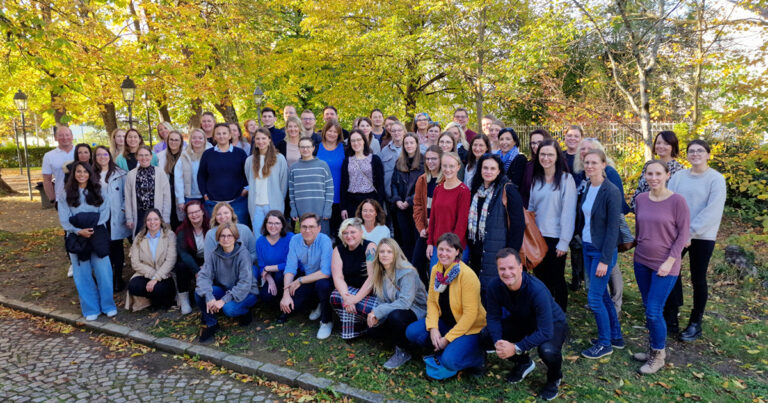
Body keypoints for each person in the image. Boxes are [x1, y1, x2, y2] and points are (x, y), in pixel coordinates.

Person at [665, 140, 726, 342]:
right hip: (677, 234)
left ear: (708, 154)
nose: (695, 154)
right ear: (687, 155)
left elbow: (712, 211)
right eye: (691, 151)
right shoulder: (679, 177)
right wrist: (677, 232)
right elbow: (669, 202)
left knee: (698, 278)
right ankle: (671, 317)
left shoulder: (716, 179)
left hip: (702, 236)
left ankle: (695, 323)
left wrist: (689, 233)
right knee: (670, 272)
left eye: (700, 151)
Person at [487, 248, 567, 401]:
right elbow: (493, 317)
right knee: (486, 336)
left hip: (552, 323)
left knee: (548, 350)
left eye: (511, 268)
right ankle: (524, 363)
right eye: (502, 269)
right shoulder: (494, 286)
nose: (507, 273)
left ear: (520, 268)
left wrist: (516, 347)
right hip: (524, 320)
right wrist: (499, 342)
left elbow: (545, 332)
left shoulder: (537, 290)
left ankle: (554, 378)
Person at [632, 160, 690, 374]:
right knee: (648, 308)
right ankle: (652, 348)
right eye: (650, 174)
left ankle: (658, 356)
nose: (653, 178)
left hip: (665, 265)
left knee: (654, 311)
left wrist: (670, 261)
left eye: (658, 174)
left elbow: (683, 235)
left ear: (667, 175)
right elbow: (639, 228)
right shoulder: (641, 199)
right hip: (641, 261)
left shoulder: (677, 201)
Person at [405, 233, 486, 380]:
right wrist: (433, 328)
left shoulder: (467, 275)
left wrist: (447, 339)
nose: (443, 253)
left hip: (469, 328)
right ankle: (441, 348)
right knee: (412, 332)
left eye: (449, 250)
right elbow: (432, 302)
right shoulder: (437, 270)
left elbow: (470, 316)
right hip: (447, 322)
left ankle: (477, 358)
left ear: (457, 252)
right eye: (441, 249)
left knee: (449, 361)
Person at [576, 150, 625, 359]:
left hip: (602, 252)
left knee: (595, 298)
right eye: (587, 162)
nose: (589, 166)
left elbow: (613, 229)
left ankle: (605, 344)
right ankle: (615, 337)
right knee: (602, 295)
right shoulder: (588, 186)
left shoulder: (611, 191)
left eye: (594, 162)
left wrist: (605, 260)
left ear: (604, 164)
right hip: (588, 247)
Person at [572, 138, 631, 303]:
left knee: (609, 264)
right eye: (582, 149)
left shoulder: (609, 173)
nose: (585, 151)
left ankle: (616, 300)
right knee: (598, 268)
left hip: (605, 227)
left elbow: (616, 202)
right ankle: (602, 300)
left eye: (590, 148)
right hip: (589, 229)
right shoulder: (582, 175)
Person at [57, 160, 116, 320]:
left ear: (90, 174)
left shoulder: (100, 190)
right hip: (76, 237)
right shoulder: (65, 194)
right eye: (78, 171)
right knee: (82, 275)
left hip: (97, 234)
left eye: (85, 171)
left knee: (104, 272)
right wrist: (78, 231)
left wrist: (90, 228)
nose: (82, 174)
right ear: (73, 174)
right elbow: (64, 219)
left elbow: (105, 213)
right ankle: (91, 309)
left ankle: (108, 305)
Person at [467, 154, 525, 301]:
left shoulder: (508, 190)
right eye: (485, 168)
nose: (488, 171)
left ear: (499, 171)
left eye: (493, 168)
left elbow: (518, 226)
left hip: (498, 250)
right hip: (477, 250)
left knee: (494, 293)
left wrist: (511, 254)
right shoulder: (475, 190)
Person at [528, 139, 576, 312]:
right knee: (541, 280)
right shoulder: (536, 180)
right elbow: (532, 209)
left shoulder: (566, 179)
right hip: (537, 238)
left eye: (550, 154)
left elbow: (569, 212)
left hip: (556, 239)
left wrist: (564, 241)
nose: (546, 158)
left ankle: (560, 316)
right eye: (543, 154)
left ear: (557, 157)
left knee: (556, 280)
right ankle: (545, 314)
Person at [366, 238, 428, 369]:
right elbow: (381, 300)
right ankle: (401, 338)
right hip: (396, 308)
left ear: (396, 254)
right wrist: (376, 316)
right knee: (372, 331)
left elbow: (405, 302)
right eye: (382, 251)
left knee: (396, 317)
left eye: (389, 252)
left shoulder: (407, 272)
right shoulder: (380, 272)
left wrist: (378, 312)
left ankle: (403, 351)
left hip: (417, 309)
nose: (385, 255)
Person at [195, 223, 258, 343]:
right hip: (225, 289)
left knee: (229, 309)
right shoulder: (214, 254)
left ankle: (245, 312)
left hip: (247, 292)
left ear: (235, 237)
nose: (226, 239)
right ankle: (212, 324)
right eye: (222, 236)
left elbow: (244, 283)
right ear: (218, 238)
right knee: (200, 293)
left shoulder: (243, 254)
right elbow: (203, 276)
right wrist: (209, 296)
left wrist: (223, 300)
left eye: (229, 235)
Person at [280, 213, 335, 339]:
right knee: (295, 303)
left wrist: (299, 280)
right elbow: (290, 268)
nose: (307, 230)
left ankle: (326, 321)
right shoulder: (295, 240)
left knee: (323, 286)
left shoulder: (324, 240)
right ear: (300, 228)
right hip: (308, 277)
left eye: (311, 227)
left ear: (319, 228)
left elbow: (325, 272)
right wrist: (286, 294)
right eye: (304, 227)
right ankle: (317, 304)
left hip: (324, 279)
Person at [329, 218, 378, 339]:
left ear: (361, 232)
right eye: (345, 233)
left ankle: (362, 324)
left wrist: (355, 299)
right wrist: (346, 297)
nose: (349, 236)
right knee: (336, 296)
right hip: (350, 291)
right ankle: (358, 325)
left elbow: (372, 278)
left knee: (364, 306)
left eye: (352, 232)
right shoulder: (338, 250)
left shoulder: (370, 247)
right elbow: (338, 277)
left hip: (370, 292)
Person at [93, 146, 131, 292]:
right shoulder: (91, 174)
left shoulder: (120, 174)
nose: (102, 157)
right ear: (95, 158)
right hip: (100, 217)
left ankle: (118, 278)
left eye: (105, 154)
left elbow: (127, 194)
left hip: (116, 216)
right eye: (99, 155)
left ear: (109, 156)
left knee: (117, 247)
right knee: (104, 247)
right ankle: (107, 277)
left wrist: (123, 209)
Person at [197, 123, 249, 224]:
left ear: (230, 135)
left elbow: (248, 174)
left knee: (239, 230)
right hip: (213, 203)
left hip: (237, 202)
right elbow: (201, 176)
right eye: (218, 133)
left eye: (224, 133)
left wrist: (246, 189)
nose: (221, 136)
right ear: (214, 136)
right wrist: (205, 195)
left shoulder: (240, 153)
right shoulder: (207, 154)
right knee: (216, 231)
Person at [427, 152, 471, 268]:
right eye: (445, 166)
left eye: (451, 166)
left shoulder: (463, 191)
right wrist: (430, 242)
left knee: (451, 279)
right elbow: (433, 218)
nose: (448, 169)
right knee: (434, 277)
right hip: (438, 245)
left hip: (454, 247)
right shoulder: (438, 188)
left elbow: (462, 223)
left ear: (458, 167)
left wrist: (451, 248)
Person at [128, 209, 178, 309]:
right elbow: (135, 262)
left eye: (155, 219)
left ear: (160, 221)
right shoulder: (139, 237)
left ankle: (163, 301)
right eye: (149, 220)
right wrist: (152, 274)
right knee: (133, 286)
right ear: (145, 222)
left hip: (165, 275)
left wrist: (156, 278)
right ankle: (155, 299)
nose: (152, 222)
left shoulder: (170, 235)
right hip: (146, 273)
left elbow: (171, 261)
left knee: (158, 288)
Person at [245, 127, 288, 236]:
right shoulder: (249, 161)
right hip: (256, 206)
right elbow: (249, 180)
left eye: (263, 138)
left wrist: (279, 199)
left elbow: (283, 184)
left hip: (274, 204)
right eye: (257, 139)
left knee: (275, 236)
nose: (261, 141)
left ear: (269, 140)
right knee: (258, 237)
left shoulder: (279, 159)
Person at [289, 137, 335, 235]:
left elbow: (330, 189)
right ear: (299, 148)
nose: (305, 149)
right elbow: (291, 192)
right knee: (306, 240)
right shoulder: (293, 168)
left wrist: (327, 209)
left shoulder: (323, 165)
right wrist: (293, 209)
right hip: (302, 214)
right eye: (302, 147)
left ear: (313, 148)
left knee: (322, 240)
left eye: (308, 147)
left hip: (321, 214)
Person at [630, 131, 685, 211]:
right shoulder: (649, 165)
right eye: (658, 143)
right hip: (643, 212)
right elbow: (639, 190)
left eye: (666, 144)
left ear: (673, 146)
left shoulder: (678, 170)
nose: (661, 146)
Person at [125, 146, 172, 237]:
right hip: (139, 215)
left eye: (146, 155)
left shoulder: (160, 173)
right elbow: (128, 198)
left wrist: (166, 217)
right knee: (139, 240)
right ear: (137, 157)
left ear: (151, 156)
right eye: (141, 155)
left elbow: (166, 197)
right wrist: (129, 218)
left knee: (156, 240)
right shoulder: (131, 174)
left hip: (156, 214)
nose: (144, 158)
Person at [412, 146, 442, 284]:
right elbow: (417, 205)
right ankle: (424, 292)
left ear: (441, 159)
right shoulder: (422, 179)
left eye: (434, 158)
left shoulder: (445, 180)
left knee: (435, 267)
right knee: (416, 264)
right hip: (425, 230)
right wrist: (421, 228)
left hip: (439, 230)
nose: (430, 162)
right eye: (428, 159)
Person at [340, 130, 386, 221]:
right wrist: (343, 207)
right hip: (352, 202)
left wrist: (379, 205)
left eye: (358, 140)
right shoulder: (347, 161)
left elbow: (380, 185)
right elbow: (343, 185)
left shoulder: (375, 159)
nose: (356, 143)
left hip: (370, 201)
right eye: (353, 141)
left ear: (364, 141)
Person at [390, 133, 423, 258]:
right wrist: (397, 199)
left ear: (417, 144)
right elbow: (394, 183)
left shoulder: (423, 162)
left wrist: (409, 201)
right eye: (406, 143)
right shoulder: (399, 162)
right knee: (405, 239)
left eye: (412, 143)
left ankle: (417, 266)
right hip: (401, 208)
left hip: (416, 207)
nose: (409, 145)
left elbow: (423, 186)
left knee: (417, 239)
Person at [175, 200, 209, 315]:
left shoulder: (211, 226)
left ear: (202, 212)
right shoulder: (182, 230)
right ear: (187, 215)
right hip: (192, 260)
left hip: (209, 260)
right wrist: (197, 270)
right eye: (190, 213)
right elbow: (184, 254)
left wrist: (206, 265)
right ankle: (184, 299)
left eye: (197, 211)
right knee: (180, 266)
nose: (194, 215)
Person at [256, 211, 294, 304]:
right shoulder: (260, 241)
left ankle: (286, 297)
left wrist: (269, 268)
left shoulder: (290, 238)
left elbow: (292, 263)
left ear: (282, 225)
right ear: (265, 224)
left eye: (277, 223)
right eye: (270, 223)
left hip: (289, 273)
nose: (273, 226)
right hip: (271, 274)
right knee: (265, 297)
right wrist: (270, 280)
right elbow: (261, 266)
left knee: (279, 276)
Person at [316, 121, 347, 236]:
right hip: (320, 197)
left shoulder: (344, 148)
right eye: (330, 131)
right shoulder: (316, 147)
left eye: (335, 132)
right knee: (322, 234)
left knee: (340, 234)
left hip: (339, 196)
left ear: (339, 134)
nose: (332, 134)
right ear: (325, 131)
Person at [174, 128, 208, 213]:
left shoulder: (210, 155)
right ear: (190, 140)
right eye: (194, 138)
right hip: (189, 197)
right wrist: (180, 200)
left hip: (207, 197)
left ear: (204, 140)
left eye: (200, 138)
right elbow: (178, 179)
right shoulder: (184, 156)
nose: (197, 140)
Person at [157, 130, 185, 228]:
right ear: (167, 141)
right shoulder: (160, 156)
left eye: (176, 140)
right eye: (171, 140)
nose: (173, 142)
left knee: (181, 220)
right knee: (169, 218)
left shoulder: (186, 155)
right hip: (167, 192)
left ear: (181, 142)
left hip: (181, 192)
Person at [43, 125, 75, 205]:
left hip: (83, 198)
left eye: (67, 135)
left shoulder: (82, 152)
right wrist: (52, 199)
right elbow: (47, 180)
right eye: (61, 135)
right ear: (55, 138)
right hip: (61, 198)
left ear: (72, 137)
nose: (64, 138)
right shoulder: (49, 156)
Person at [521, 129, 553, 207]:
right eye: (533, 143)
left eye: (539, 142)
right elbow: (524, 192)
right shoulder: (529, 166)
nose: (536, 146)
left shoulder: (558, 163)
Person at [378, 121, 405, 204]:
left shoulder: (410, 148)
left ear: (404, 131)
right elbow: (381, 174)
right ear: (391, 133)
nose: (396, 133)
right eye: (394, 131)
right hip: (390, 196)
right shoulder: (384, 151)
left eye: (399, 130)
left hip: (407, 196)